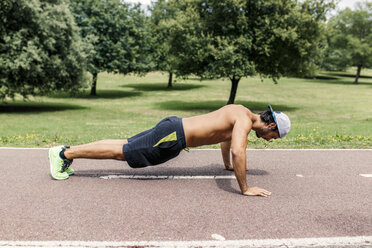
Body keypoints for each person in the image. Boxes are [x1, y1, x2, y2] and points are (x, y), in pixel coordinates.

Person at [49, 104, 290, 197]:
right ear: (270, 125)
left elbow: (226, 141)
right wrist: (245, 188)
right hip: (174, 137)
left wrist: (227, 165)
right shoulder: (245, 123)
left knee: (123, 145)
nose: (270, 140)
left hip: (173, 126)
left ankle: (67, 152)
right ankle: (64, 154)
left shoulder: (241, 111)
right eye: (274, 136)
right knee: (121, 152)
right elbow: (239, 150)